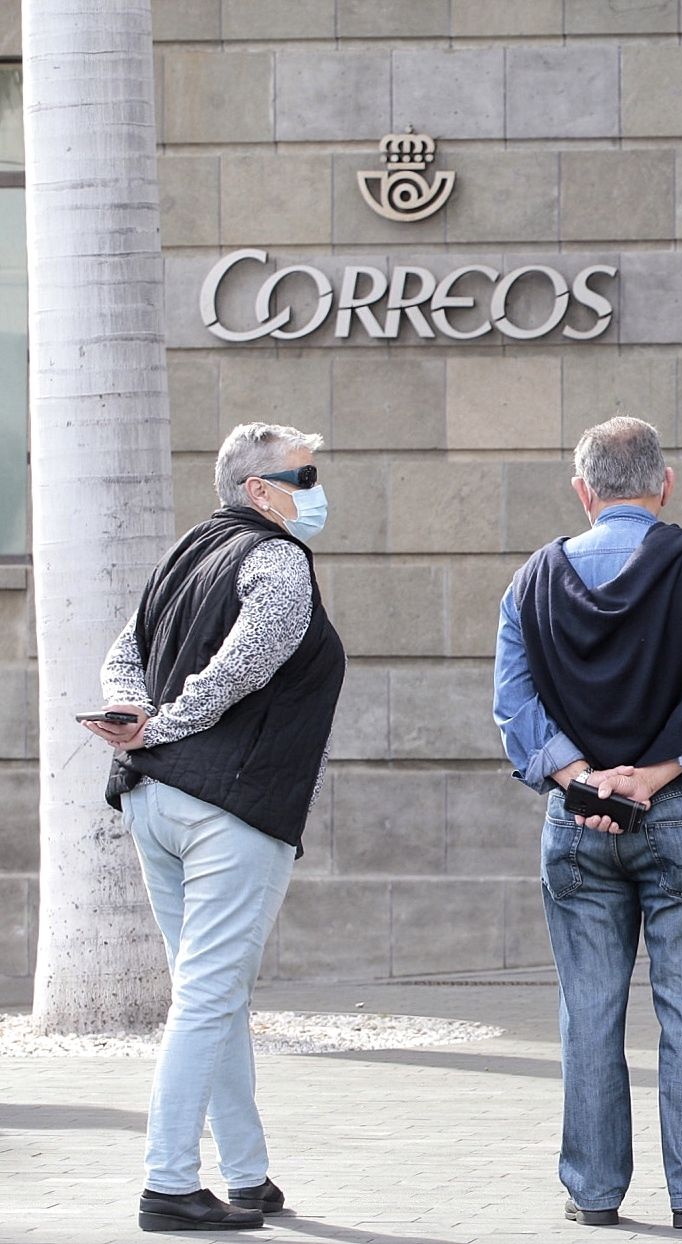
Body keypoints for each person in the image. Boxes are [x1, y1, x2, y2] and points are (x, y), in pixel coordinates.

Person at [492, 417, 682, 1230]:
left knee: (588, 1011)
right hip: (680, 811)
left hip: (577, 825)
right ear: (666, 482)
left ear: (583, 491)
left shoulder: (530, 581)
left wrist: (584, 780)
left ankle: (595, 1192)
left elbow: (514, 709)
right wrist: (653, 774)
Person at [84, 422, 346, 1233]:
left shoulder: (183, 552)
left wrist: (135, 716)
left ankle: (247, 1174)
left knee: (214, 994)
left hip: (153, 802)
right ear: (259, 491)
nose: (315, 488)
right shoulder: (276, 559)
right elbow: (244, 666)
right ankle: (167, 1183)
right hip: (228, 806)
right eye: (302, 476)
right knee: (205, 998)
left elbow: (121, 657)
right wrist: (159, 722)